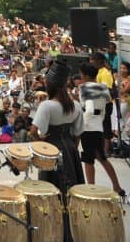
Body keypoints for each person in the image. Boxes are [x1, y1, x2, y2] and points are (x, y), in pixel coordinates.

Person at [29, 59, 84, 196]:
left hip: (50, 150)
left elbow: (33, 132)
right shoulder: (76, 105)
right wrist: (72, 148)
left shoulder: (46, 105)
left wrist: (40, 141)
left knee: (51, 187)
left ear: (50, 85)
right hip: (70, 148)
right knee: (71, 184)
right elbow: (77, 134)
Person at [76, 64, 125, 196]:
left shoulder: (83, 88)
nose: (80, 77)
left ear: (86, 76)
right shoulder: (103, 87)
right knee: (102, 158)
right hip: (98, 126)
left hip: (87, 127)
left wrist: (82, 123)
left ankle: (91, 189)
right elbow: (107, 103)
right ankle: (117, 186)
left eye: (81, 75)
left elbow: (88, 108)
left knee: (88, 160)